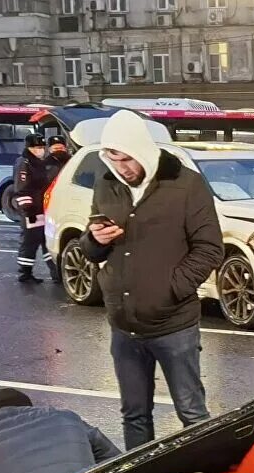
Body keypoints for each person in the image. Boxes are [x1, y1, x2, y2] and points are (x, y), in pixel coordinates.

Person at [82, 110, 225, 448]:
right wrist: (95, 241)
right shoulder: (106, 184)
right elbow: (90, 248)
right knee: (134, 416)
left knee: (192, 413)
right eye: (113, 159)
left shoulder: (186, 184)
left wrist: (172, 289)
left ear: (141, 150)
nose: (122, 167)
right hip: (124, 326)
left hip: (173, 324)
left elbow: (209, 248)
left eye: (127, 158)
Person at [11, 134, 52, 282]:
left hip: (41, 208)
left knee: (43, 240)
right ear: (29, 148)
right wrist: (28, 210)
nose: (40, 150)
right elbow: (22, 189)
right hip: (31, 210)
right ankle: (25, 273)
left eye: (42, 147)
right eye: (37, 148)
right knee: (30, 241)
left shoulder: (38, 162)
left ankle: (54, 273)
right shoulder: (24, 163)